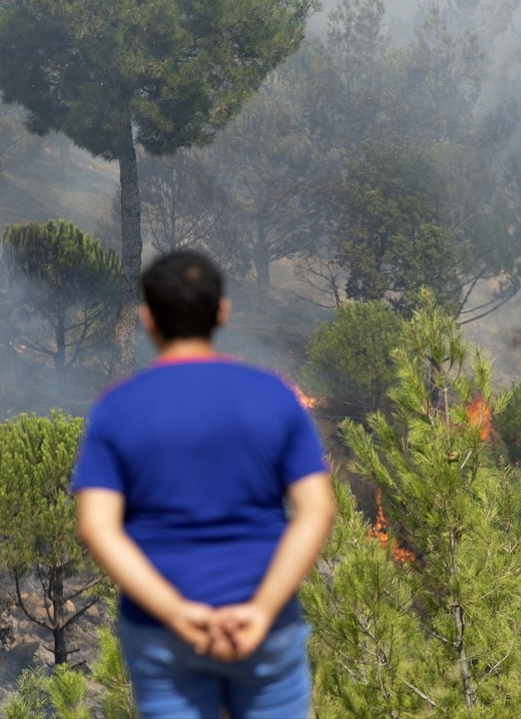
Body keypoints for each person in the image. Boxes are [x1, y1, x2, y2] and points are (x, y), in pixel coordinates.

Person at [74, 250, 335, 719]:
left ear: (147, 318)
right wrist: (261, 610)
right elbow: (316, 510)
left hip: (162, 632)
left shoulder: (117, 408)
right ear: (222, 312)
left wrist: (176, 613)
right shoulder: (273, 396)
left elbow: (97, 527)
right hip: (265, 629)